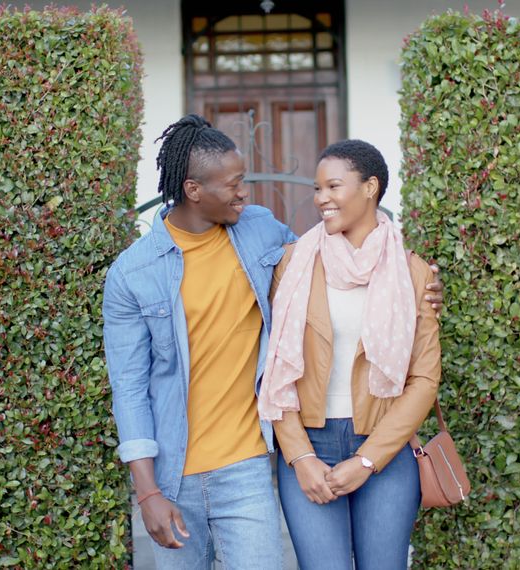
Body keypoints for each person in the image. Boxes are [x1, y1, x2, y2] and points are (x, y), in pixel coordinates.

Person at [103, 116, 441, 568]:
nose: (246, 192)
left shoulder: (260, 232)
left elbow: (336, 266)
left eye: (333, 187)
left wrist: (422, 279)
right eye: (234, 184)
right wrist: (147, 491)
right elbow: (128, 387)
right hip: (178, 470)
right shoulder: (134, 273)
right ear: (193, 189)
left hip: (248, 466)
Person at [259, 139, 442, 569]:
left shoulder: (412, 271)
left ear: (370, 187)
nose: (322, 198)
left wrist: (367, 459)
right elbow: (276, 370)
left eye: (333, 187)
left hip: (384, 445)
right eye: (318, 189)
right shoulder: (295, 263)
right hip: (309, 445)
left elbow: (424, 378)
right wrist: (300, 457)